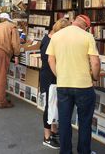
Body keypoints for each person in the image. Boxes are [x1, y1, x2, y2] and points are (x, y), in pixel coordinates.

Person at [46, 14, 100, 154]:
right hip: (84, 86)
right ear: (86, 27)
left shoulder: (56, 36)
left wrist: (60, 76)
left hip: (63, 85)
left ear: (73, 21)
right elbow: (95, 62)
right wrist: (95, 76)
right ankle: (84, 151)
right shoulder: (87, 36)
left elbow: (50, 60)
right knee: (85, 122)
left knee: (64, 122)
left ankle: (65, 152)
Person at [40, 18, 70, 149]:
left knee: (54, 105)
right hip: (49, 77)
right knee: (49, 105)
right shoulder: (50, 42)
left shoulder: (51, 39)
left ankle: (54, 131)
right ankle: (46, 137)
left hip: (52, 76)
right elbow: (49, 61)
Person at [0, 13, 21, 109]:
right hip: (2, 51)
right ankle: (2, 102)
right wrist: (17, 55)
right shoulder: (12, 27)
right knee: (2, 76)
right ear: (8, 20)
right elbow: (15, 42)